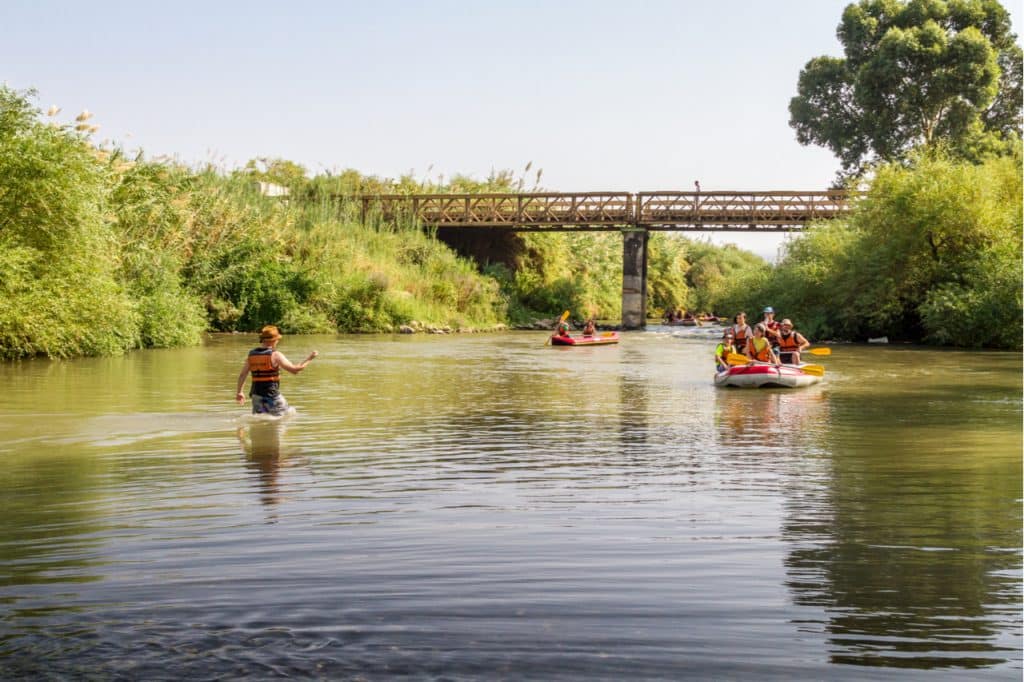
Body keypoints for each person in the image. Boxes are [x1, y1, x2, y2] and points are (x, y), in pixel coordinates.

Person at [235, 325, 318, 416]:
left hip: (256, 396)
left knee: (260, 421)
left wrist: (240, 392)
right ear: (274, 340)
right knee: (289, 414)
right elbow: (295, 370)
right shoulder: (276, 355)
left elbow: (243, 375)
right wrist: (310, 358)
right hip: (272, 397)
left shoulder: (251, 355)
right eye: (278, 339)